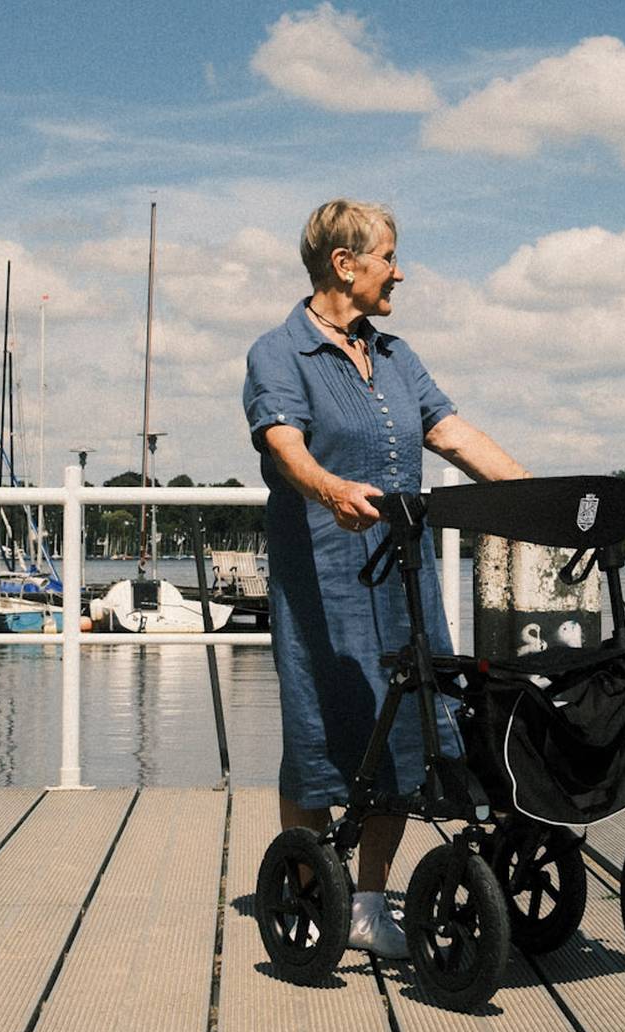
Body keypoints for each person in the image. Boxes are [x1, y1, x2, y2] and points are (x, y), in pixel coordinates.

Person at [243, 198, 528, 957]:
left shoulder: (397, 355)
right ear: (346, 264)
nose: (399, 271)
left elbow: (453, 434)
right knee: (318, 728)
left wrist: (538, 501)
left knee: (405, 728)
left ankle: (369, 903)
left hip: (401, 575)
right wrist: (331, 489)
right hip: (323, 575)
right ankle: (306, 890)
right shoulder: (278, 352)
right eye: (389, 257)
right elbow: (283, 447)